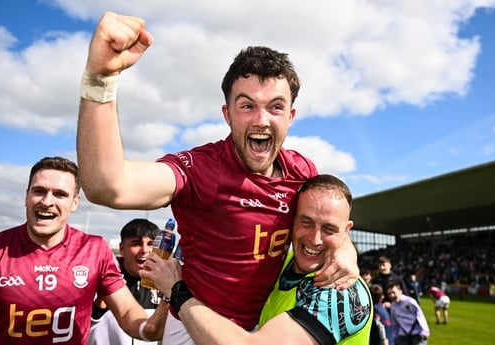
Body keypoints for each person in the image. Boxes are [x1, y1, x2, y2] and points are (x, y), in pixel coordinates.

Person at [77, 11, 359, 344]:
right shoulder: (202, 169)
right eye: (246, 106)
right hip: (193, 324)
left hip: (264, 328)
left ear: (291, 116)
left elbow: (331, 222)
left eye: (276, 107)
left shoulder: (302, 172)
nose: (261, 120)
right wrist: (100, 79)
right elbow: (108, 185)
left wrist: (345, 250)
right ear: (227, 114)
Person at [0, 157, 164, 345]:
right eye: (39, 191)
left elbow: (127, 313)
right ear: (26, 197)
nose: (47, 201)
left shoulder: (95, 249)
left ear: (74, 202)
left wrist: (151, 324)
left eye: (60, 194)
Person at [143, 174, 372, 345]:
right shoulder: (282, 262)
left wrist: (177, 291)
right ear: (291, 220)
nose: (315, 238)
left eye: (330, 229)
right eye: (306, 222)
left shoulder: (343, 293)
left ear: (347, 230)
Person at [87, 218, 168, 345]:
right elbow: (80, 328)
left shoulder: (165, 284)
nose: (145, 250)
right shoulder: (100, 277)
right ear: (122, 248)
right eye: (136, 244)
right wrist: (99, 306)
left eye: (151, 244)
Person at [387, 281, 429, 345]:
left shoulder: (410, 302)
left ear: (400, 291)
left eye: (393, 292)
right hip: (402, 336)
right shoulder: (393, 306)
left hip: (416, 334)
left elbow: (420, 316)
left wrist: (424, 332)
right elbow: (394, 323)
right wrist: (395, 336)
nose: (392, 295)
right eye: (389, 294)